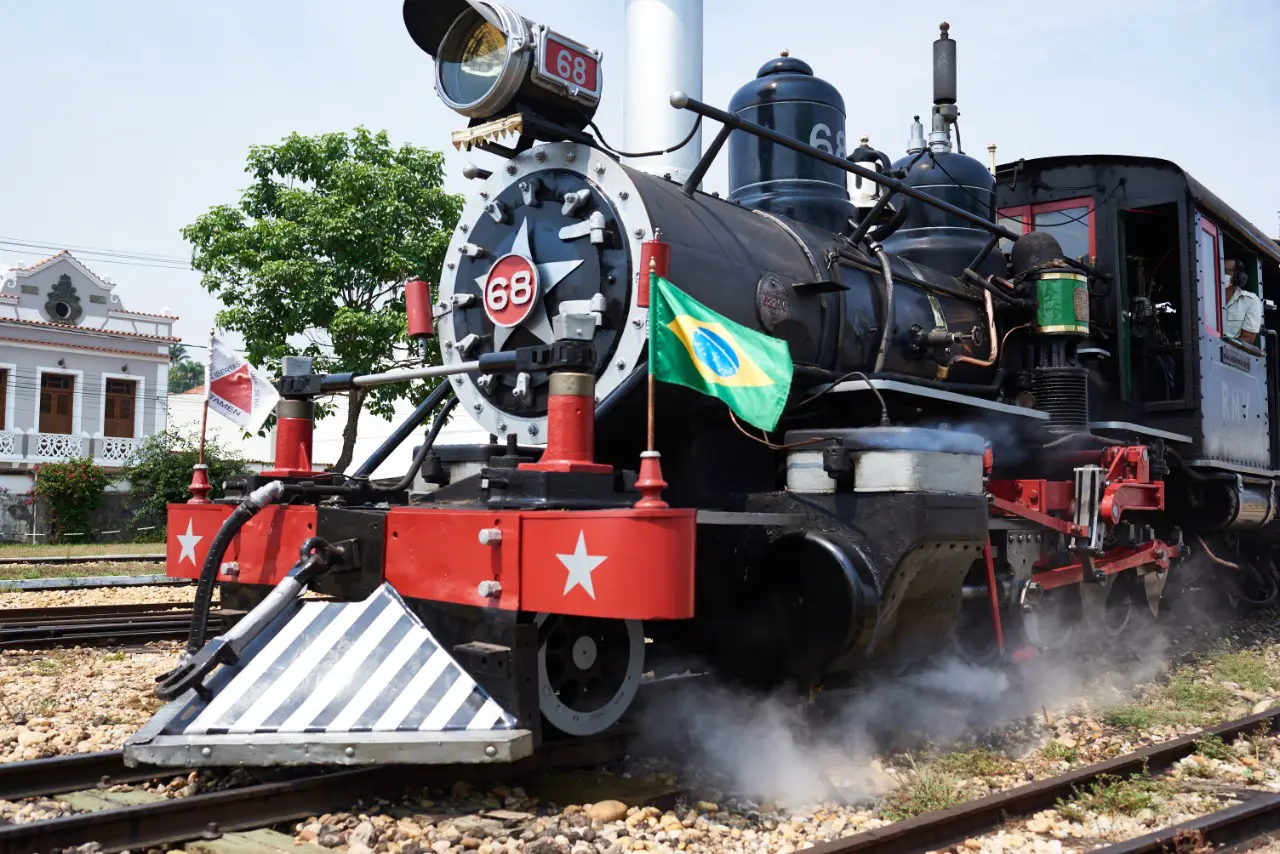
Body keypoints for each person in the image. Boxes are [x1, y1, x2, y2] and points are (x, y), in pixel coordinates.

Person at [1223, 257, 1262, 345]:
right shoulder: (1207, 296)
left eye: (1224, 271)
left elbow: (1248, 339)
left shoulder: (1250, 300)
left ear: (1238, 277)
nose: (1219, 274)